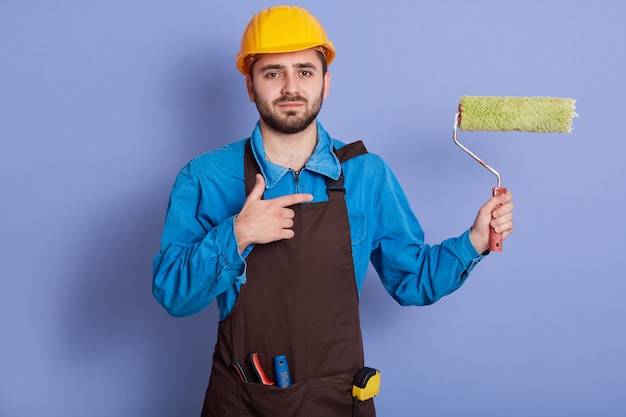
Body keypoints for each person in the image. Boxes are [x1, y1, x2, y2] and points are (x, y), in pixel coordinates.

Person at [152, 5, 514, 416]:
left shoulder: (366, 174)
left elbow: (412, 281)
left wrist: (475, 242)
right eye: (273, 73)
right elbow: (173, 296)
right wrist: (237, 233)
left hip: (340, 402)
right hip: (244, 402)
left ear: (326, 82)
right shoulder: (205, 177)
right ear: (250, 86)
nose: (291, 87)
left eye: (305, 71)